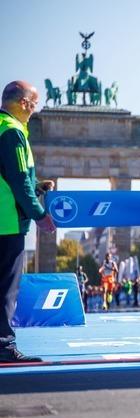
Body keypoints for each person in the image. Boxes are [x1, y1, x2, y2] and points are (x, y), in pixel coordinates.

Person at [0, 81, 56, 363]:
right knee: (6, 288)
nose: (34, 111)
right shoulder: (12, 132)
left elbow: (13, 174)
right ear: (23, 103)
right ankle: (4, 346)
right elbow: (19, 181)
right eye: (34, 105)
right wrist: (40, 215)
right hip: (7, 223)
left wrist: (38, 184)